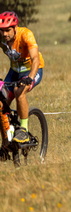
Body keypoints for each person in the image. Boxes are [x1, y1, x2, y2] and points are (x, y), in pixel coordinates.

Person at [0, 11, 44, 144]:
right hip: (14, 71)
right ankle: (6, 141)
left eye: (8, 30)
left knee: (19, 92)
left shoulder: (26, 34)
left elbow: (35, 59)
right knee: (1, 102)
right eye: (2, 30)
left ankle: (23, 130)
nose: (4, 34)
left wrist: (30, 78)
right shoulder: (1, 38)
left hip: (32, 70)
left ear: (15, 28)